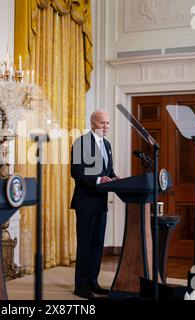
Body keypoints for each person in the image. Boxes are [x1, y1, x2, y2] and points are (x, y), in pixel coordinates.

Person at [70, 109, 119, 299]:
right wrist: (100, 180)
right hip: (85, 203)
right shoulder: (80, 143)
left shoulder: (106, 144)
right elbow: (77, 172)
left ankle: (92, 281)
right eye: (102, 123)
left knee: (97, 245)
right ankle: (80, 286)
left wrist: (116, 178)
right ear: (92, 124)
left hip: (101, 203)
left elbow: (109, 170)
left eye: (107, 123)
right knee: (85, 245)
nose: (105, 127)